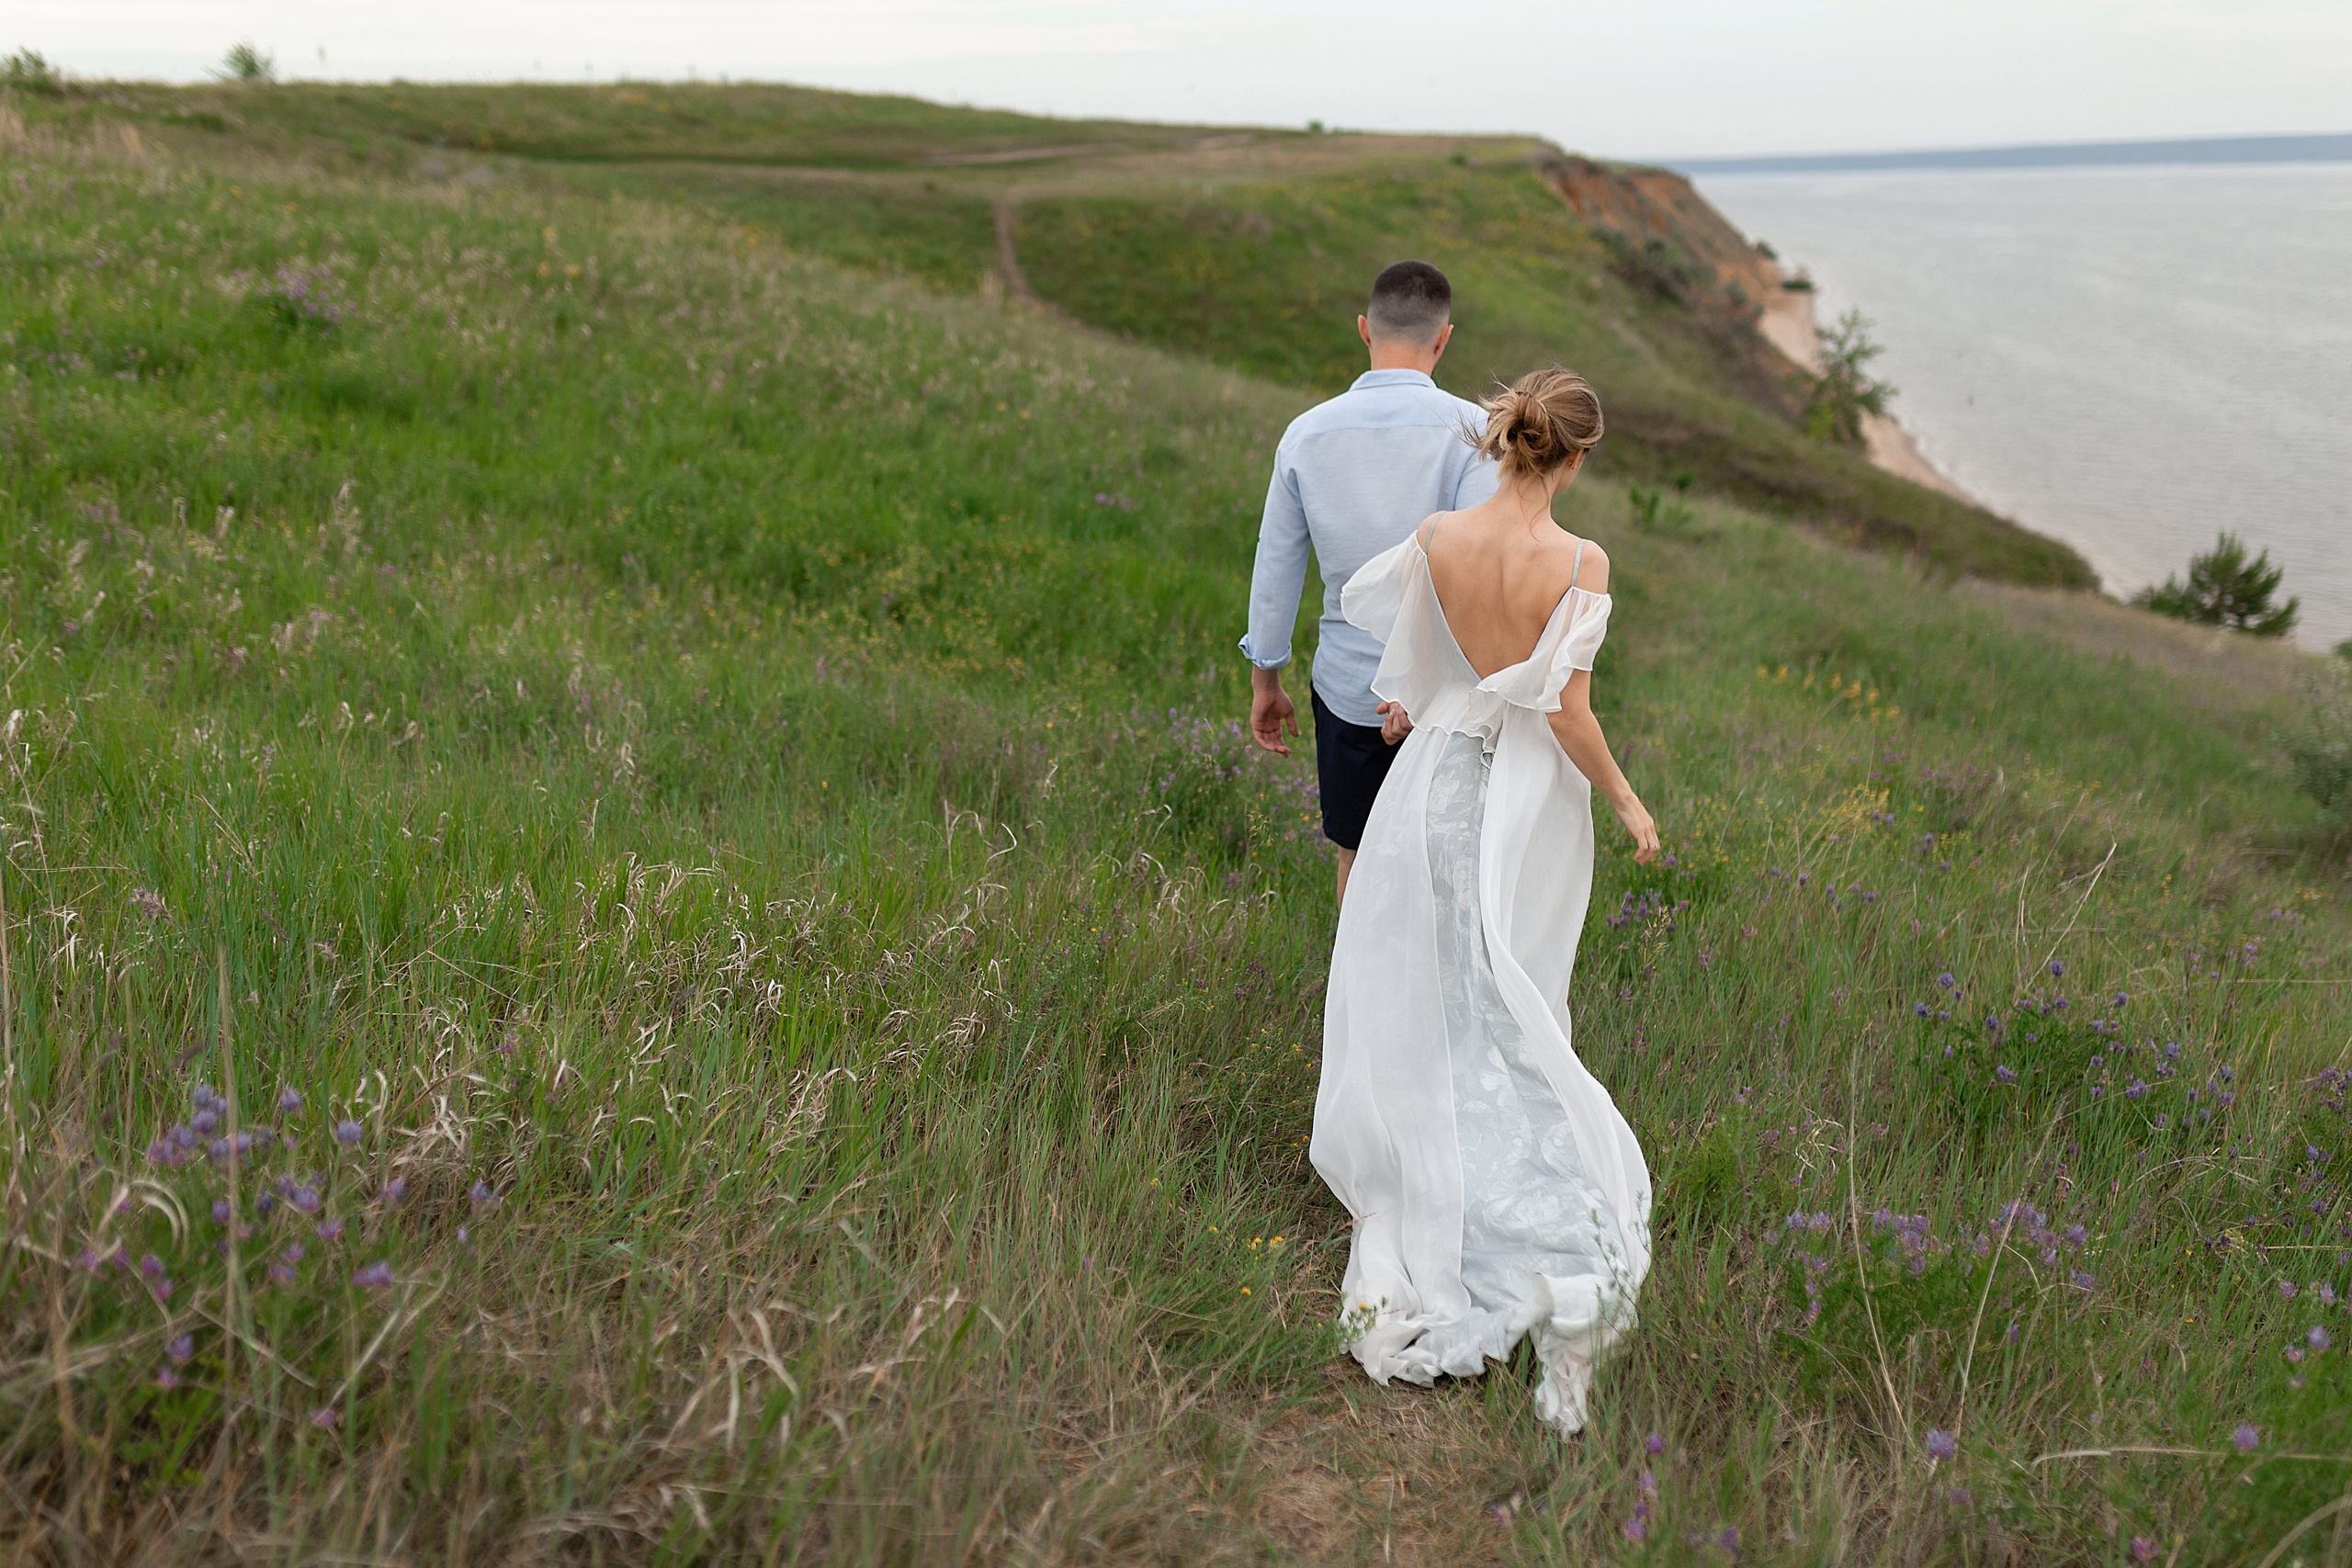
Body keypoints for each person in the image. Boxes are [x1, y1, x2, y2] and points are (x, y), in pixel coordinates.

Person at [1308, 367, 1659, 1437]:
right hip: (1517, 798)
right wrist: (1632, 803)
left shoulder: (1437, 535)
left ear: (1508, 440)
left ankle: (1428, 1162)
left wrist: (1425, 710)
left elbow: (1402, 687)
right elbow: (1565, 713)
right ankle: (1511, 1202)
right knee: (1508, 980)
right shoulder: (1579, 559)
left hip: (1427, 790)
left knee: (1439, 975)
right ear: (1575, 456)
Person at [1240, 260, 1501, 907]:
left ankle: (1355, 1006)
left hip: (1349, 688)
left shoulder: (1306, 434)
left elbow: (1276, 568)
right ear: (1443, 340)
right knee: (1447, 867)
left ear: (1364, 330)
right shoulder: (1474, 434)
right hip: (1447, 695)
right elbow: (1474, 572)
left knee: (1356, 857)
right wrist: (1428, 680)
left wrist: (1266, 683)